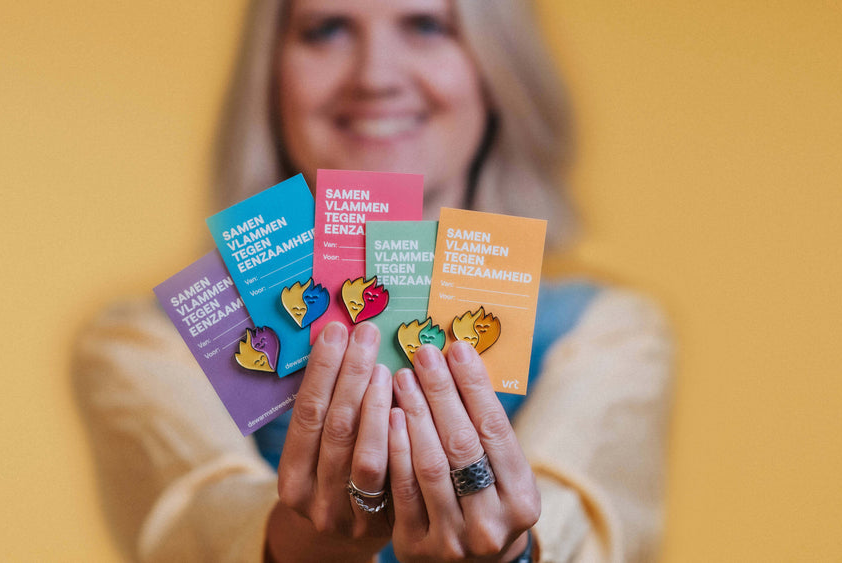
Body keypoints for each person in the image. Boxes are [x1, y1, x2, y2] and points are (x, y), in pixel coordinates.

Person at [73, 1, 673, 562]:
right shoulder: (151, 343)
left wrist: (515, 552)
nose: (375, 76)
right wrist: (306, 540)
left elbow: (591, 533)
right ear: (270, 77)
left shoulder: (604, 334)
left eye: (427, 25)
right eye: (327, 30)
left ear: (497, 72)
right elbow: (186, 531)